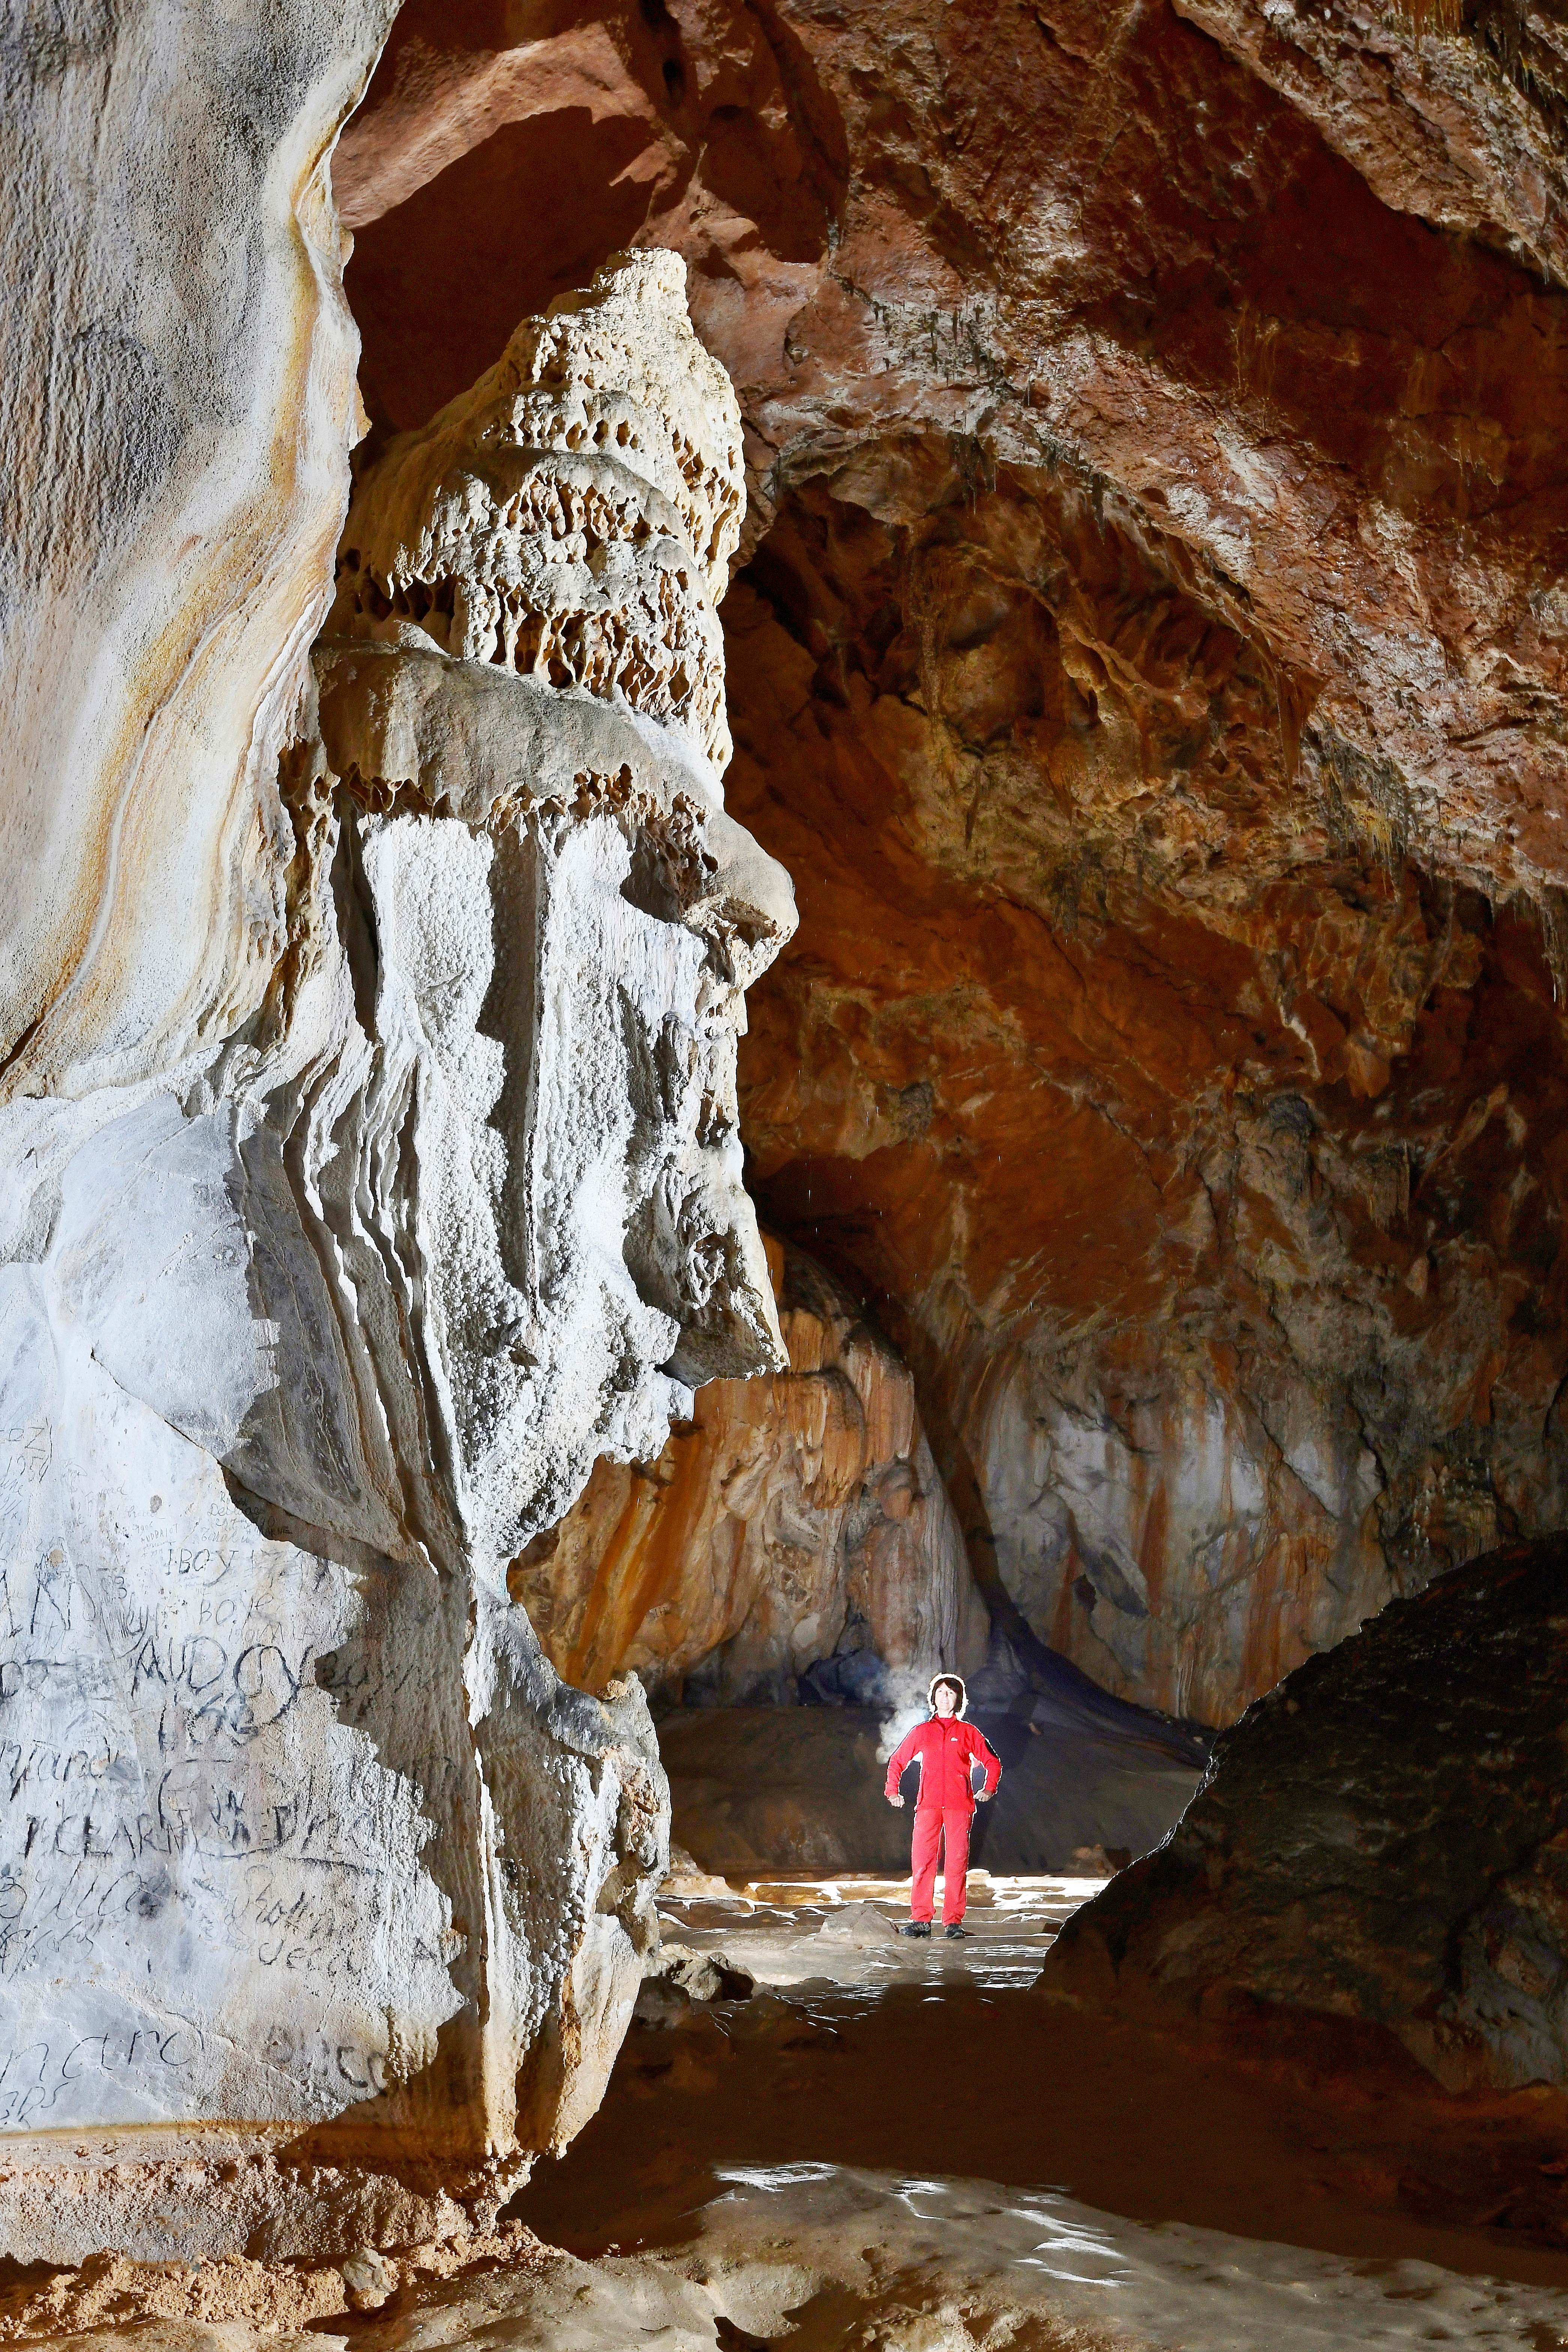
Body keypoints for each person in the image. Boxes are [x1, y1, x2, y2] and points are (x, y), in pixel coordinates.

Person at [883, 1672, 1001, 1938]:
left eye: (950, 1693)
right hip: (928, 1806)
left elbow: (993, 1762)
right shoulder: (923, 1732)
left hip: (960, 1806)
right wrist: (893, 1791)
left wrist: (989, 1788)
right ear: (933, 1698)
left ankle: (952, 1922)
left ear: (958, 1698)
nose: (944, 1698)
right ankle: (921, 1920)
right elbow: (897, 1761)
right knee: (923, 1862)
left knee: (956, 1863)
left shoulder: (968, 1732)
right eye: (940, 1693)